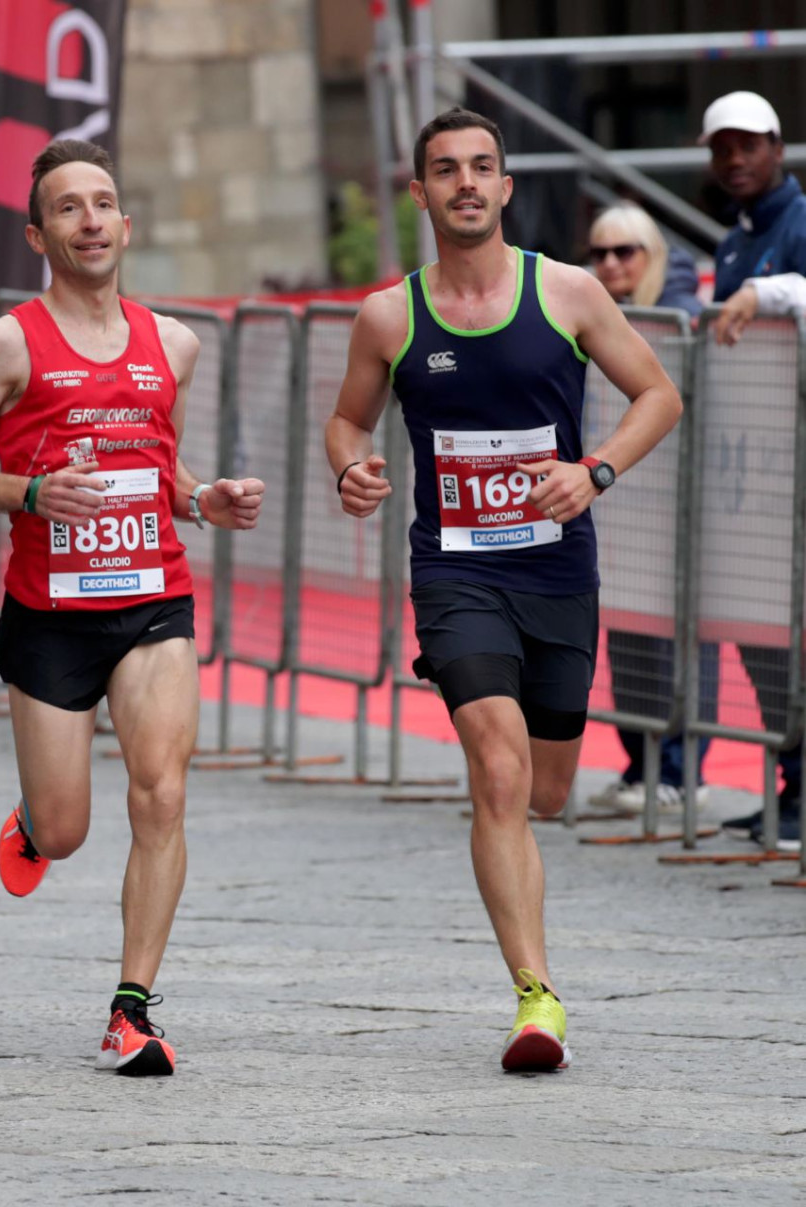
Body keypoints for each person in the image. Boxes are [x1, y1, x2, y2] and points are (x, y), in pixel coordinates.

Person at [325, 108, 682, 1071]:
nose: (467, 184)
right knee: (497, 767)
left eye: (483, 167)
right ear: (421, 192)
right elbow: (348, 421)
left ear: (507, 186)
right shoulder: (390, 315)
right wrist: (351, 467)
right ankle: (536, 997)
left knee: (548, 791)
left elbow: (660, 395)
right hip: (456, 571)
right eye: (447, 170)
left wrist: (594, 471)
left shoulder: (566, 292)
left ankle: (534, 971)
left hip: (556, 568)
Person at [0, 139, 265, 1075]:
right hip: (49, 614)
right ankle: (35, 822)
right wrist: (30, 492)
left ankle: (131, 1009)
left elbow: (162, 468)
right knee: (67, 829)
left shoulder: (175, 343)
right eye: (68, 208)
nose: (90, 220)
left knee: (163, 792)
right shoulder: (8, 342)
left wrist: (205, 499)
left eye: (103, 203)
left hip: (153, 600)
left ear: (126, 224)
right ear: (40, 235)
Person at [699, 91, 806, 852]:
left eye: (748, 144)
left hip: (795, 471)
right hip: (757, 483)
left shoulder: (799, 223)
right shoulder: (732, 241)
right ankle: (794, 784)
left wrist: (768, 292)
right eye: (721, 147)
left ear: (777, 147)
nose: (735, 159)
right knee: (764, 637)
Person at [583, 202, 713, 814]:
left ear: (652, 254)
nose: (610, 264)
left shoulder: (681, 317)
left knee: (679, 645)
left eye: (624, 251)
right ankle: (642, 768)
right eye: (599, 253)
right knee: (629, 642)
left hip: (681, 509)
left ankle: (682, 773)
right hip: (625, 505)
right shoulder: (599, 315)